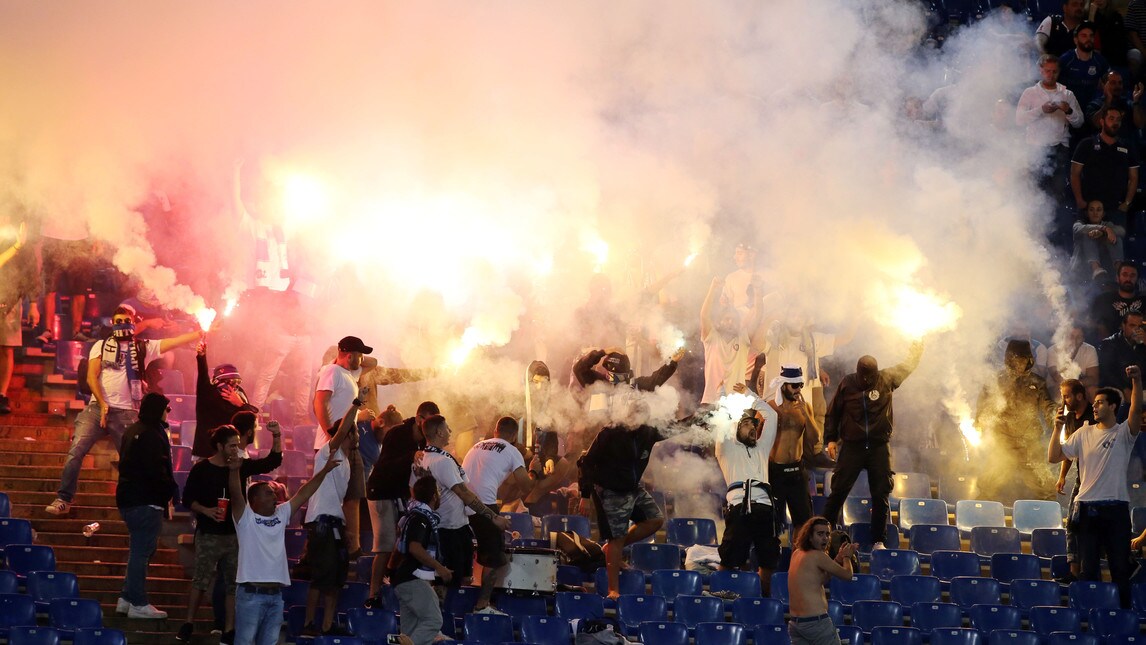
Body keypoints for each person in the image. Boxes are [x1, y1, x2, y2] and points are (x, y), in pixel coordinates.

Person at [46, 304, 201, 515]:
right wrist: (102, 404)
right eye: (118, 321)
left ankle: (136, 503)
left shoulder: (143, 347)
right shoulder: (101, 345)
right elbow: (91, 377)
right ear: (112, 323)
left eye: (126, 321)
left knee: (133, 462)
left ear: (134, 324)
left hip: (127, 411)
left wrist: (200, 333)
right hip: (97, 408)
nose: (122, 325)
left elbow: (172, 342)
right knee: (76, 450)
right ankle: (64, 498)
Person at [227, 433, 343, 645]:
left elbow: (304, 492)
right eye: (268, 493)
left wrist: (325, 471)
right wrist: (234, 470)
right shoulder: (245, 518)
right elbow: (235, 495)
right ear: (254, 500)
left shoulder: (281, 514)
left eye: (273, 493)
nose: (275, 496)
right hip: (250, 595)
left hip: (275, 596)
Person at [176, 422, 283, 643]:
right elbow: (187, 499)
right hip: (209, 533)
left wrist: (276, 436)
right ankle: (188, 623)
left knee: (233, 584)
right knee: (201, 579)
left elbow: (272, 462)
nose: (236, 449)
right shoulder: (202, 469)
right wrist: (206, 510)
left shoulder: (240, 466)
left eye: (237, 445)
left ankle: (229, 629)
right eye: (232, 446)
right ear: (219, 446)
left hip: (234, 535)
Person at [1049, 367, 1142, 608]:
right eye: (1095, 402)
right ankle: (1090, 615)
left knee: (1119, 568)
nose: (1095, 406)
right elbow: (1054, 456)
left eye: (1100, 402)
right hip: (1087, 508)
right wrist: (1057, 428)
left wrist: (1137, 380)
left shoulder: (1123, 433)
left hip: (1116, 508)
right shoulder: (1083, 432)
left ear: (1113, 406)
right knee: (1088, 569)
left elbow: (1135, 409)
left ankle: (1122, 615)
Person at [822, 342, 924, 549]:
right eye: (864, 375)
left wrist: (917, 348)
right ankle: (823, 535)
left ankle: (878, 540)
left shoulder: (886, 379)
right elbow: (833, 413)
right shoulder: (847, 383)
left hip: (878, 446)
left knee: (881, 494)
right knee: (838, 491)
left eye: (871, 375)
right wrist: (830, 439)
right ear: (858, 372)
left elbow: (908, 365)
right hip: (852, 446)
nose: (867, 380)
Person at [577, 402, 673, 599]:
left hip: (632, 487)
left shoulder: (648, 432)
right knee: (616, 537)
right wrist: (585, 495)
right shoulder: (610, 432)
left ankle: (612, 550)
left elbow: (677, 427)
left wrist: (704, 418)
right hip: (609, 489)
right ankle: (613, 589)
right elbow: (586, 462)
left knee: (655, 520)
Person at [411, 414, 511, 596]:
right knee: (447, 582)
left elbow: (413, 492)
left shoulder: (421, 459)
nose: (450, 431)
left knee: (460, 578)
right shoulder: (442, 461)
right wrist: (493, 517)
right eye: (447, 428)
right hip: (449, 530)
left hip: (450, 526)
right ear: (439, 432)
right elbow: (464, 493)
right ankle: (445, 612)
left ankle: (451, 610)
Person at [365, 400, 440, 607]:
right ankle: (373, 594)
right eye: (428, 422)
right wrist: (410, 457)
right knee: (385, 545)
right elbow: (385, 466)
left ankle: (391, 575)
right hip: (381, 492)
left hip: (401, 494)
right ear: (418, 419)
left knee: (403, 540)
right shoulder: (398, 433)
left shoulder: (424, 441)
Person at [460, 417, 533, 613]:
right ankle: (482, 604)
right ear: (514, 436)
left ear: (496, 431)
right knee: (493, 557)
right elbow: (526, 486)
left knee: (462, 551)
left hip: (460, 502)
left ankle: (458, 600)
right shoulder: (512, 450)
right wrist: (533, 470)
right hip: (484, 503)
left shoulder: (476, 446)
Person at [114, 392, 177, 620]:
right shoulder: (152, 434)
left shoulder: (133, 430)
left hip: (129, 498)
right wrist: (169, 492)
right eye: (166, 408)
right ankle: (138, 602)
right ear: (158, 409)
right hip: (146, 500)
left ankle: (126, 598)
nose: (168, 412)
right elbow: (157, 470)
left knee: (138, 551)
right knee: (142, 553)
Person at [299, 402, 360, 637]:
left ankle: (326, 625)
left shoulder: (347, 461)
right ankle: (308, 623)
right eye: (355, 432)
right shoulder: (328, 452)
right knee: (320, 576)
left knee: (335, 579)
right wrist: (356, 404)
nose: (358, 436)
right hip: (322, 523)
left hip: (336, 524)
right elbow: (343, 429)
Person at [976, 340, 1059, 505]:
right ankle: (982, 512)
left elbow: (1047, 406)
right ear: (1009, 359)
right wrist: (979, 423)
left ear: (1029, 360)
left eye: (1024, 359)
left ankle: (1048, 516)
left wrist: (1055, 418)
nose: (1020, 364)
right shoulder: (995, 380)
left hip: (1030, 441)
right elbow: (984, 406)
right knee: (988, 485)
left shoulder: (1037, 382)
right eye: (1017, 360)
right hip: (1003, 441)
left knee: (1045, 487)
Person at [714, 407, 779, 594]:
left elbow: (772, 415)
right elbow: (722, 419)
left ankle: (764, 602)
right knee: (729, 558)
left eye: (754, 425)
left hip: (766, 508)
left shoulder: (762, 448)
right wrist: (729, 399)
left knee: (768, 561)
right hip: (740, 507)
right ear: (735, 427)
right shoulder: (727, 449)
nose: (752, 428)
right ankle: (719, 597)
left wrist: (752, 397)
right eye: (747, 424)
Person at [390, 476, 452, 645]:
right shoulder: (421, 518)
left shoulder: (411, 516)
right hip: (413, 579)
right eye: (438, 491)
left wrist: (391, 570)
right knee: (433, 620)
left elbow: (399, 546)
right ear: (434, 496)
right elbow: (414, 547)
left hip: (403, 579)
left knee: (410, 631)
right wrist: (440, 568)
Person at [767, 365, 824, 536]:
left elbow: (815, 439)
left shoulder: (805, 407)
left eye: (800, 385)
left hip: (797, 471)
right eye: (794, 386)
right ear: (783, 385)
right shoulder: (770, 407)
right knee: (773, 523)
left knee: (804, 524)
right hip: (776, 472)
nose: (798, 390)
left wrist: (806, 415)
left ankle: (800, 552)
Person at [1016, 55, 1084, 197]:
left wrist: (1068, 111)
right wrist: (1041, 110)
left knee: (1056, 192)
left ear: (1059, 72)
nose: (1051, 75)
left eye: (1054, 71)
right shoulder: (1030, 93)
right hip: (1034, 148)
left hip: (1059, 148)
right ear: (1040, 71)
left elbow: (1079, 122)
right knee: (1032, 191)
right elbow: (1019, 119)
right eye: (1047, 71)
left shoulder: (1067, 94)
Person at [787, 517, 860, 645]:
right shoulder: (818, 556)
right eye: (820, 534)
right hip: (816, 623)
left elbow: (819, 580)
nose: (825, 538)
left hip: (796, 624)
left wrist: (838, 558)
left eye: (827, 534)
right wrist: (847, 557)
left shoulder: (797, 553)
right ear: (809, 536)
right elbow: (848, 575)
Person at [1054, 378, 1095, 584]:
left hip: (1096, 480)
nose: (1064, 401)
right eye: (1063, 397)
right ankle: (1074, 572)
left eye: (1067, 396)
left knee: (1091, 529)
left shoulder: (1094, 416)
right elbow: (1068, 451)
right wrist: (1062, 476)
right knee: (1072, 523)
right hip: (1081, 478)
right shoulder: (1070, 418)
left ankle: (1088, 573)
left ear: (1079, 396)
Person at [1070, 105, 1139, 226]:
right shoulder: (1086, 144)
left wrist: (1127, 203)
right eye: (1111, 119)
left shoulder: (1127, 146)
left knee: (1116, 237)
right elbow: (1074, 174)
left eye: (1118, 120)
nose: (1115, 123)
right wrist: (1079, 200)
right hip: (1090, 207)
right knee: (1087, 237)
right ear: (1102, 122)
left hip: (1116, 208)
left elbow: (1134, 177)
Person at [700, 275, 762, 404]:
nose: (730, 322)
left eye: (734, 320)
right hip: (711, 401)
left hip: (735, 403)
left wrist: (757, 290)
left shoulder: (743, 339)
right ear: (720, 322)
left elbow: (758, 316)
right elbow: (704, 315)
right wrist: (713, 288)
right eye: (727, 319)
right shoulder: (711, 338)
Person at [193, 339, 258, 458]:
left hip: (233, 451)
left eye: (237, 382)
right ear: (218, 382)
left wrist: (240, 404)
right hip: (207, 451)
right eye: (231, 381)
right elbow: (203, 375)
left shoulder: (239, 394)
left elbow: (253, 418)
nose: (234, 386)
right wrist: (201, 357)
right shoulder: (207, 392)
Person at [0, 221, 32, 415]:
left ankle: (1, 395)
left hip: (9, 300)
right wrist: (16, 247)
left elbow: (29, 273)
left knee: (6, 349)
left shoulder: (19, 234)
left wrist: (33, 303)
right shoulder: (17, 245)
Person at [1097, 311, 1146, 404]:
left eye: (1139, 326)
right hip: (1117, 387)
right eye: (1132, 326)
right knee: (1118, 398)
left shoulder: (1143, 343)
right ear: (1123, 325)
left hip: (1140, 386)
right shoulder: (1109, 344)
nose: (1136, 330)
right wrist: (1124, 388)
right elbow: (1107, 372)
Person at [1058, 22, 1109, 109]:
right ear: (1075, 40)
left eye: (1091, 36)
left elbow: (1107, 85)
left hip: (1093, 108)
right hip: (1069, 107)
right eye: (1084, 36)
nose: (1088, 39)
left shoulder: (1100, 61)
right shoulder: (1065, 60)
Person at [1070, 201, 1124, 282]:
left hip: (1106, 266)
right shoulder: (1079, 223)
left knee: (1115, 236)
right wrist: (1104, 229)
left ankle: (1119, 271)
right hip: (1081, 267)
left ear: (1103, 214)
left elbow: (1122, 231)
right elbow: (1078, 229)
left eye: (1098, 210)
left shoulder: (1108, 224)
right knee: (1088, 234)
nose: (1095, 213)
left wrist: (1103, 233)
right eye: (1092, 210)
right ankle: (1096, 268)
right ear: (1087, 213)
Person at [1090, 261, 1145, 340]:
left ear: (1137, 279)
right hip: (1110, 345)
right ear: (1117, 278)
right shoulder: (1103, 300)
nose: (1128, 279)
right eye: (1124, 275)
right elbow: (1092, 324)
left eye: (1132, 275)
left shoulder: (1144, 301)